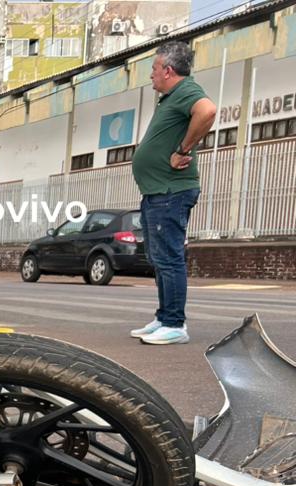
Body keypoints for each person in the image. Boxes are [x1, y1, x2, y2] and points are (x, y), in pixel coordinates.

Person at [129, 40, 217, 346]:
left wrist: (183, 150)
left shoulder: (187, 91)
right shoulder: (170, 97)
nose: (151, 75)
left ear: (168, 70)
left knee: (169, 257)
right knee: (158, 257)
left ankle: (175, 323)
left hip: (171, 190)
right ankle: (164, 316)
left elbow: (207, 111)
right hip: (157, 191)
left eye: (154, 69)